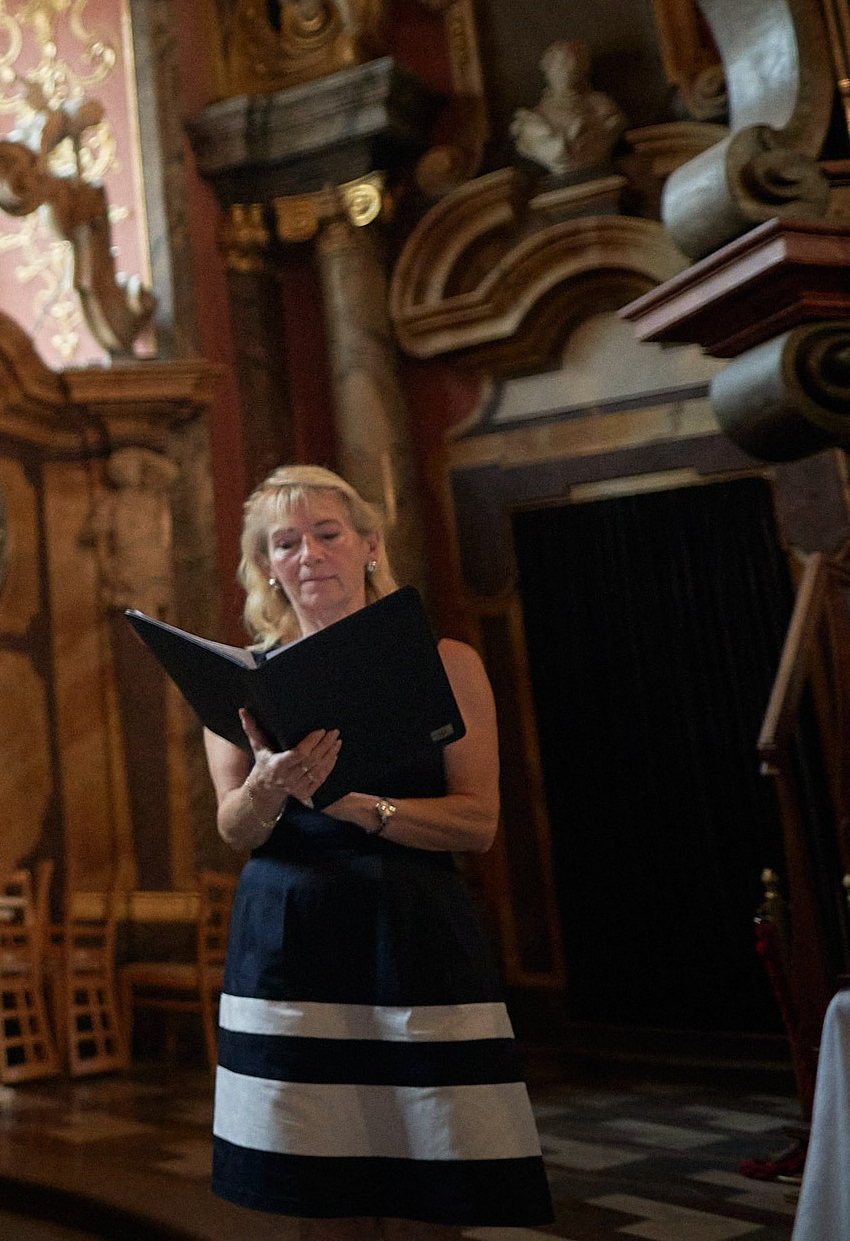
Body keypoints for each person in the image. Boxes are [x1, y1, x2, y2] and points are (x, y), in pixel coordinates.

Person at [204, 465, 554, 1238]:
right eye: (284, 542)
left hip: (413, 924)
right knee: (318, 1182)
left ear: (368, 545)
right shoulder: (242, 681)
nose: (307, 554)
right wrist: (268, 788)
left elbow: (478, 821)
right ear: (266, 564)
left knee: (436, 1171)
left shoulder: (448, 662)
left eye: (327, 533)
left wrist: (350, 804)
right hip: (289, 935)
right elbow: (234, 828)